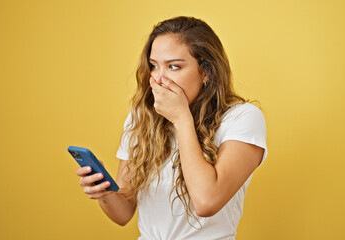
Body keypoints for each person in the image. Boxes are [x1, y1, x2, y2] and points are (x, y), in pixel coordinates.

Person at [76, 16, 268, 239]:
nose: (159, 78)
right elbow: (124, 213)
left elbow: (207, 202)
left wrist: (182, 119)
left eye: (174, 66)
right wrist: (104, 192)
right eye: (154, 66)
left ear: (206, 71)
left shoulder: (242, 118)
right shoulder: (142, 117)